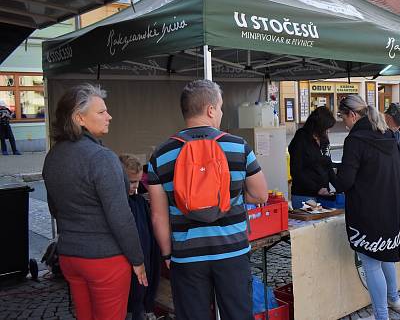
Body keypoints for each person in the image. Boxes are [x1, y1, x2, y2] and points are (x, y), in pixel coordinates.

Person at [147, 79, 268, 320]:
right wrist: (228, 194)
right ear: (211, 110)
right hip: (232, 251)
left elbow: (158, 215)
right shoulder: (238, 147)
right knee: (238, 315)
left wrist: (167, 255)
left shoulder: (161, 154)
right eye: (221, 107)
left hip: (187, 255)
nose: (221, 113)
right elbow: (260, 194)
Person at [43, 84, 147, 320]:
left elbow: (54, 207)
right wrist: (138, 260)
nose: (109, 116)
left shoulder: (54, 155)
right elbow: (120, 217)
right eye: (101, 112)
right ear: (79, 118)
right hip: (104, 260)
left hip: (70, 256)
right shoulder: (102, 158)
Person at [333, 95, 400, 320]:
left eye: (343, 117)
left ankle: (381, 315)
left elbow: (345, 181)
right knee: (385, 256)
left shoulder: (355, 140)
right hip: (390, 208)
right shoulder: (387, 134)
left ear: (352, 115)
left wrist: (329, 177)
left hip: (367, 211)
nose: (344, 123)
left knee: (371, 263)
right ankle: (395, 299)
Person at [119, 154, 161, 320]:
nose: (133, 186)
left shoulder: (140, 202)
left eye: (136, 182)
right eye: (130, 182)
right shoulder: (121, 205)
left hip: (144, 259)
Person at [288, 106, 336, 209]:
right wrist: (317, 188)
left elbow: (328, 165)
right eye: (326, 128)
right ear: (319, 126)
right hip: (304, 195)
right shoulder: (301, 138)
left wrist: (339, 186)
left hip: (324, 196)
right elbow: (296, 171)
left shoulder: (324, 139)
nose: (328, 131)